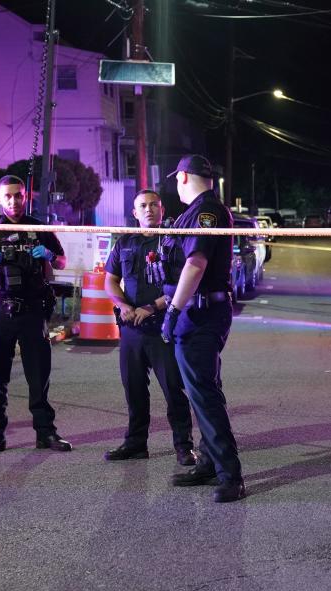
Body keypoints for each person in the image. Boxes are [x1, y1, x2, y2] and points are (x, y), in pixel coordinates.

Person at [0, 175, 71, 456]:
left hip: (33, 309)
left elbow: (61, 260)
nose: (14, 200)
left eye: (19, 195)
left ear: (26, 197)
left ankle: (45, 432)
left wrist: (49, 254)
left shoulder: (39, 228)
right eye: (8, 196)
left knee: (39, 375)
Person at [161, 154, 245, 503]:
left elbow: (195, 264)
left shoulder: (205, 213)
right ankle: (209, 463)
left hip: (199, 314)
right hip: (197, 313)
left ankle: (231, 475)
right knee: (204, 390)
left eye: (175, 180)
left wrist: (173, 309)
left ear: (182, 177)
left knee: (205, 396)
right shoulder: (194, 211)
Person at [103, 190, 196, 464]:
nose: (149, 210)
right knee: (133, 389)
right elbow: (110, 279)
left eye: (154, 205)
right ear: (135, 213)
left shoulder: (173, 242)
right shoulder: (125, 242)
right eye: (143, 206)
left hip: (163, 326)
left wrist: (152, 306)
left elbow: (183, 283)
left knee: (173, 390)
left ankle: (184, 446)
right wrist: (122, 305)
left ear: (162, 210)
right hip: (131, 328)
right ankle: (135, 444)